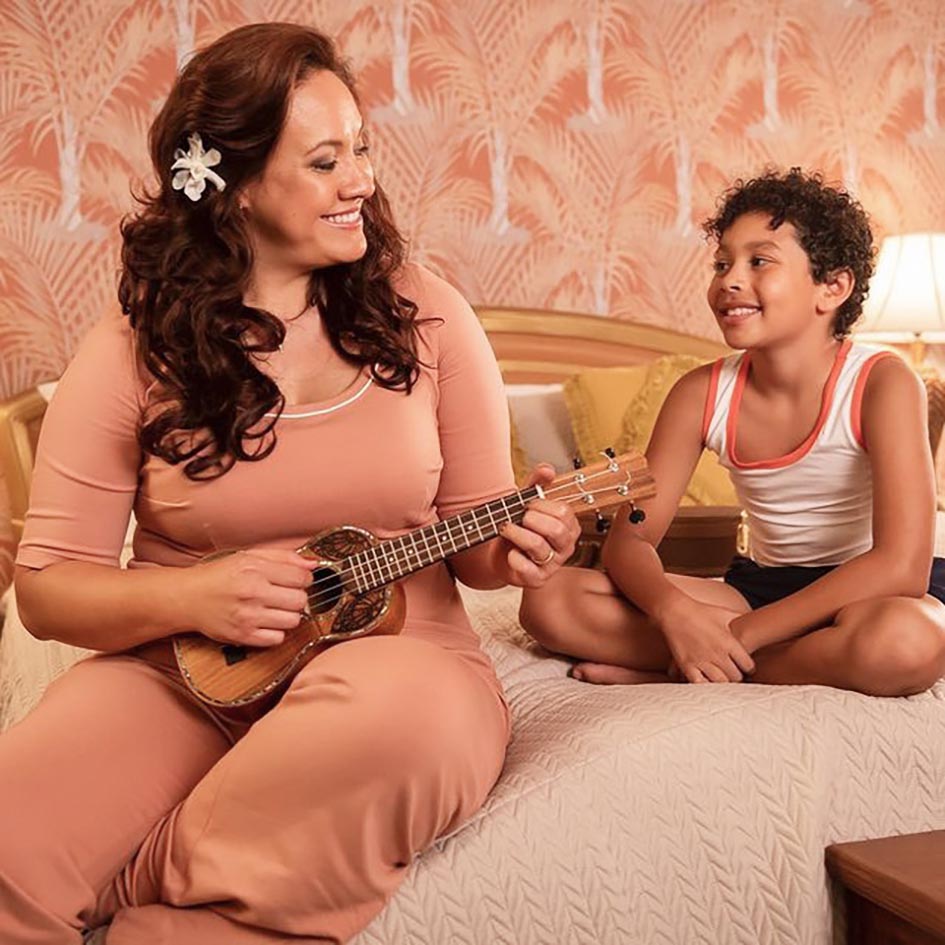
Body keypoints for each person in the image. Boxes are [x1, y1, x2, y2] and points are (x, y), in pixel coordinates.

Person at [0, 22, 579, 945]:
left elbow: (475, 546)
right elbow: (46, 588)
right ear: (227, 187)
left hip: (400, 668)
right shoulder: (127, 352)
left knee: (405, 722)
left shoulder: (427, 315)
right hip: (181, 673)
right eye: (323, 160)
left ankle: (138, 897)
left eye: (360, 149)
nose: (362, 180)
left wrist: (518, 550)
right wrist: (195, 590)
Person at [520, 168, 945, 695]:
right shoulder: (701, 392)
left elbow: (901, 566)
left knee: (908, 644)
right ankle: (756, 661)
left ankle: (684, 669)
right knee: (549, 600)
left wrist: (735, 637)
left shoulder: (884, 381)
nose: (730, 280)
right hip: (758, 588)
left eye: (759, 261)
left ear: (832, 287)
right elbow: (631, 542)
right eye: (722, 263)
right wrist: (675, 614)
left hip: (865, 594)